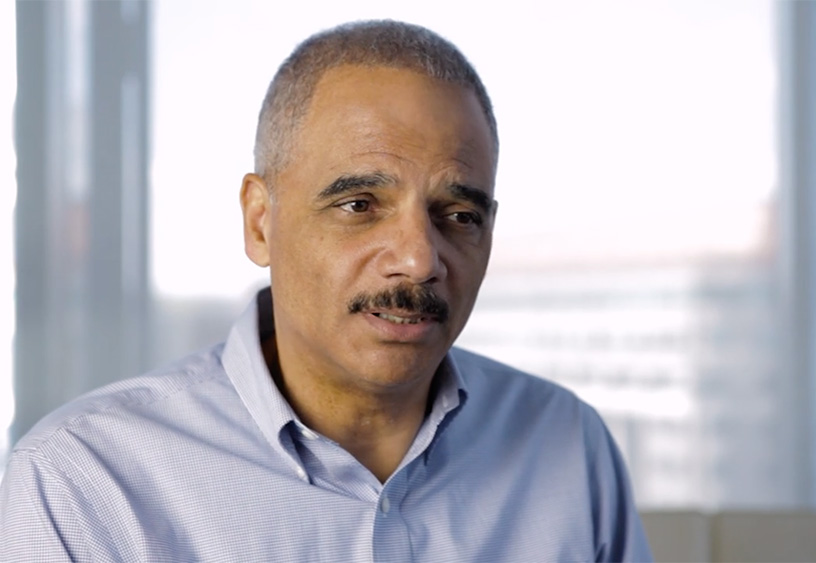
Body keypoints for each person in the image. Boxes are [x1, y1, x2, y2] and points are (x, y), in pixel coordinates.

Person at [0, 20, 652, 561]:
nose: (419, 259)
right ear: (261, 220)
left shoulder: (569, 446)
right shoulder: (85, 482)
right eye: (360, 203)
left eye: (459, 215)